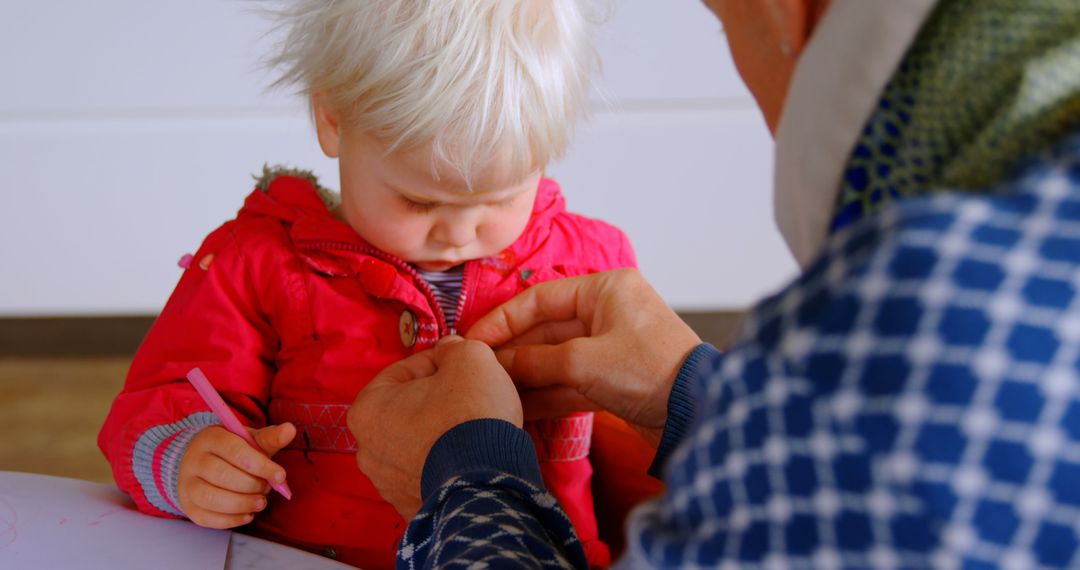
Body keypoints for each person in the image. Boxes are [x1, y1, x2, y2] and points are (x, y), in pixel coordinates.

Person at [349, 0, 1080, 567]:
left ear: (790, 12)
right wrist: (700, 395)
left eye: (720, 17)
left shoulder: (921, 313)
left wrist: (467, 481)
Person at [97, 1, 641, 567]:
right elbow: (156, 403)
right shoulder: (256, 264)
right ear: (333, 119)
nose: (458, 232)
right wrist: (188, 459)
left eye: (501, 198)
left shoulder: (593, 268)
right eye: (418, 200)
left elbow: (633, 444)